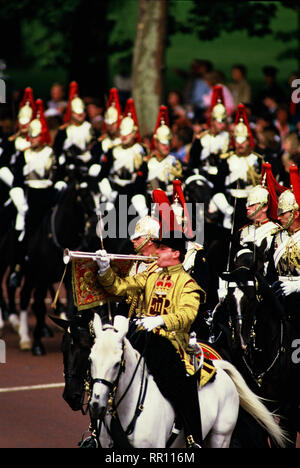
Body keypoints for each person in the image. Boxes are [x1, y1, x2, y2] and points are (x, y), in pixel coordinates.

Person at [95, 218, 206, 448]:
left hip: (170, 343)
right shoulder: (151, 276)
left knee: (180, 385)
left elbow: (187, 315)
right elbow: (120, 287)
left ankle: (193, 438)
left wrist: (160, 320)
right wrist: (104, 270)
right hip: (143, 336)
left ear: (175, 253)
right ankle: (97, 432)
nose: (158, 251)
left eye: (163, 248)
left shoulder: (188, 284)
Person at [210, 103, 264, 231]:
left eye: (243, 141)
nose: (240, 145)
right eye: (237, 141)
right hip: (231, 203)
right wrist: (227, 209)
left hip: (252, 204)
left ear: (249, 140)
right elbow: (218, 187)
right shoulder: (226, 160)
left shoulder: (257, 160)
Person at [187, 85, 230, 187]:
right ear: (213, 121)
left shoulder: (228, 137)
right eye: (219, 122)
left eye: (224, 122)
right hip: (202, 177)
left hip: (220, 179)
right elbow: (194, 159)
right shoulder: (202, 138)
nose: (222, 125)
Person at [53, 81, 96, 182]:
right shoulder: (64, 131)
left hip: (89, 168)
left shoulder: (91, 129)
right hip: (70, 169)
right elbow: (57, 151)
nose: (80, 116)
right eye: (77, 114)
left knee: (122, 194)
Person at [146, 105, 182, 196]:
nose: (166, 147)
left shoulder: (175, 162)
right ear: (156, 143)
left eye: (168, 143)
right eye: (163, 144)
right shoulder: (148, 162)